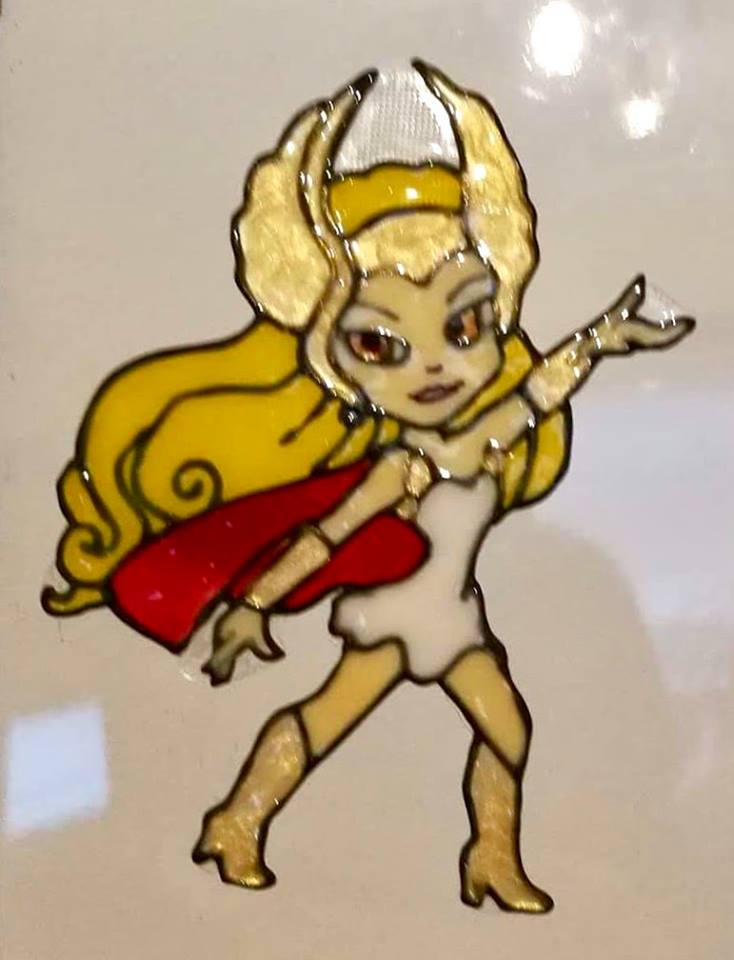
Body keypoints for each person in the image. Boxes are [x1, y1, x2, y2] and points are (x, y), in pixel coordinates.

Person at [43, 61, 693, 911]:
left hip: (450, 617)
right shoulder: (407, 464)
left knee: (498, 730)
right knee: (331, 723)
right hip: (396, 612)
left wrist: (604, 338)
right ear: (334, 359)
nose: (436, 366)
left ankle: (487, 856)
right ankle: (240, 821)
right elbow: (325, 536)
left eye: (466, 323)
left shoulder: (474, 441)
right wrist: (253, 605)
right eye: (381, 345)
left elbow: (538, 393)